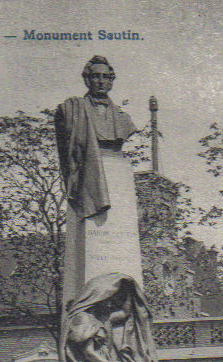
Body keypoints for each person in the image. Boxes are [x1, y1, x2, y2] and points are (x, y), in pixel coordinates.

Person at [55, 56, 143, 308]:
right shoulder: (72, 110)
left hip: (115, 162)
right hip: (91, 172)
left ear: (112, 81)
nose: (100, 81)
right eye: (95, 76)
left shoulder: (123, 119)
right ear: (87, 79)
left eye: (106, 77)